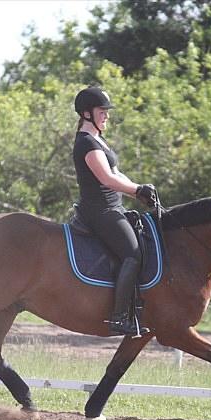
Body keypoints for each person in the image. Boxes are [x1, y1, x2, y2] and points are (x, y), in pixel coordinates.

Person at [72, 86, 157, 337]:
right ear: (87, 114)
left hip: (113, 207)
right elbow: (107, 178)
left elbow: (117, 173)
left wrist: (138, 190)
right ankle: (119, 317)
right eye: (102, 111)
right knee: (132, 254)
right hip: (99, 211)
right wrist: (137, 190)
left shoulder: (98, 140)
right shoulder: (87, 143)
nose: (106, 116)